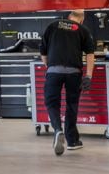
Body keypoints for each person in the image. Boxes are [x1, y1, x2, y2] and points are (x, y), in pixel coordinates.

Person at [40, 9, 95, 156]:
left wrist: (50, 68)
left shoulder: (52, 25)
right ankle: (72, 141)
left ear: (69, 15)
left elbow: (43, 53)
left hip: (54, 71)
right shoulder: (83, 29)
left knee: (52, 103)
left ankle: (57, 129)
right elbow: (90, 54)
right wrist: (88, 76)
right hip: (74, 73)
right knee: (71, 105)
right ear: (81, 19)